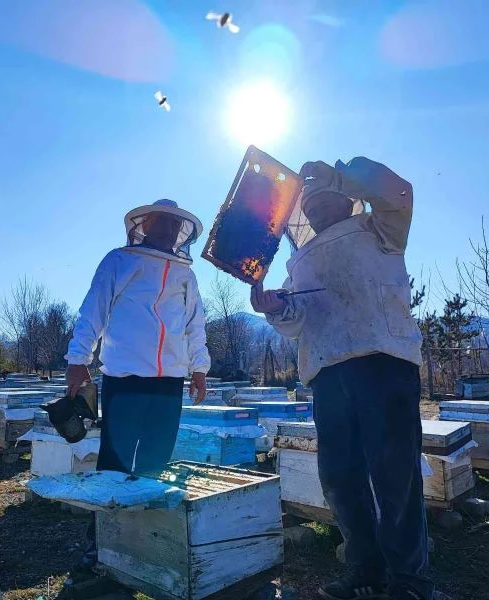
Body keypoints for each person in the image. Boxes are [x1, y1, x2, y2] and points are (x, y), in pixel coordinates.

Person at [250, 158, 431, 600]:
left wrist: (350, 171)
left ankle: (410, 582)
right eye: (307, 207)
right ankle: (366, 568)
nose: (313, 210)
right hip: (326, 372)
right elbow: (296, 319)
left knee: (394, 476)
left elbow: (399, 189)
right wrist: (272, 306)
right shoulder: (299, 261)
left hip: (383, 361)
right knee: (339, 476)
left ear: (345, 199)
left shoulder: (380, 228)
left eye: (322, 199)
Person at [65, 199, 211, 561]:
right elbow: (93, 309)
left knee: (156, 461)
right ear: (145, 226)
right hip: (125, 379)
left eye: (174, 227)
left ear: (181, 234)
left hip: (169, 383)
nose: (168, 231)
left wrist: (199, 368)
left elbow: (195, 324)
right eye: (161, 224)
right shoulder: (119, 261)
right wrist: (77, 359)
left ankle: (146, 540)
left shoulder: (185, 275)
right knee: (114, 462)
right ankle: (99, 544)